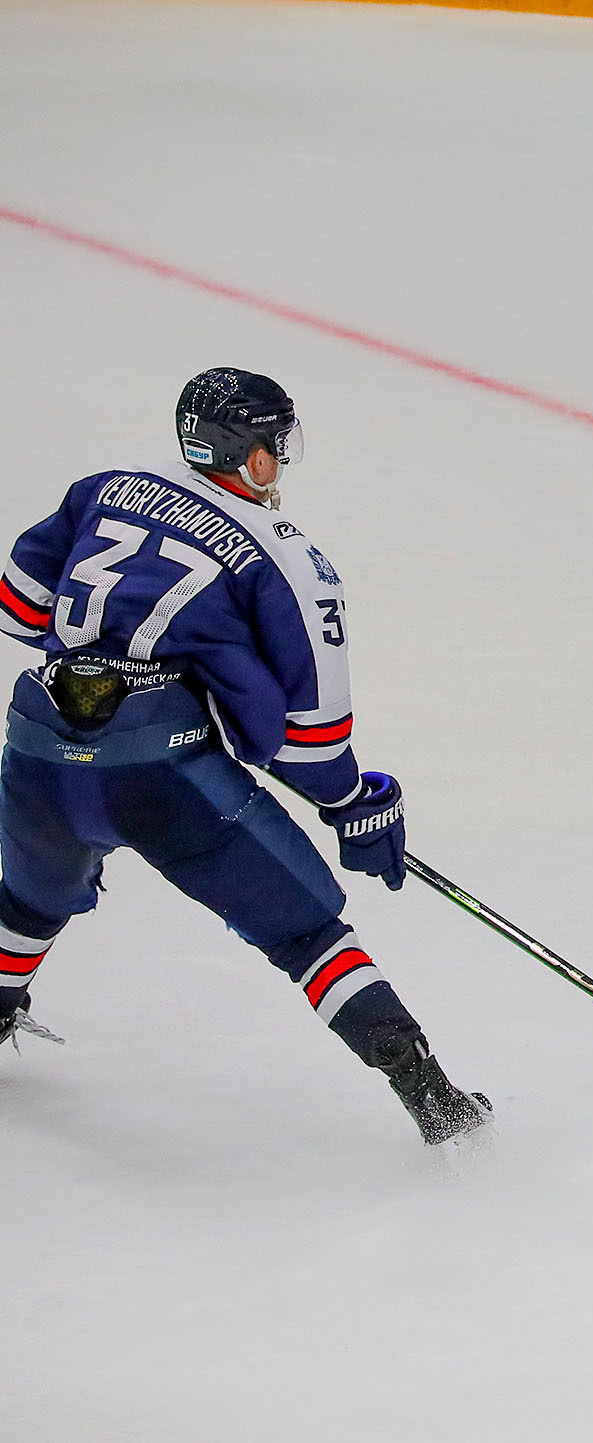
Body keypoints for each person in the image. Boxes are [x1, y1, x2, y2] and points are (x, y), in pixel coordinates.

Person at [0, 369, 487, 1145]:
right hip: (163, 774)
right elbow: (309, 733)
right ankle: (427, 1090)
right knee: (306, 933)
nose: (281, 460)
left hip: (38, 748)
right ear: (252, 455)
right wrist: (355, 802)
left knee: (25, 900)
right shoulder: (288, 559)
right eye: (276, 443)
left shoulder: (105, 487)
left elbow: (18, 606)